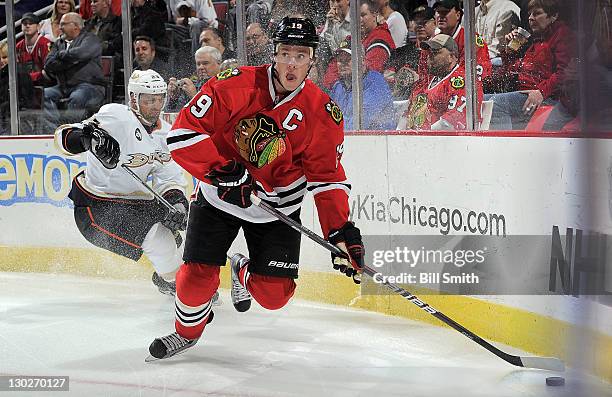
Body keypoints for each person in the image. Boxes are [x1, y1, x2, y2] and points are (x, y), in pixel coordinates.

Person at [147, 16, 365, 360]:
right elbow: (182, 134)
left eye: (301, 54)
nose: (292, 63)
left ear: (313, 58)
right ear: (273, 54)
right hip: (220, 196)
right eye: (285, 53)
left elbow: (327, 179)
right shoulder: (234, 84)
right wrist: (222, 172)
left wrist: (340, 231)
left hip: (276, 207)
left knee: (274, 295)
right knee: (194, 282)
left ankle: (240, 269)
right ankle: (186, 332)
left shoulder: (323, 112)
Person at [53, 70, 187, 296]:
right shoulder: (116, 116)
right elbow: (62, 137)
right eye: (149, 100)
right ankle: (181, 288)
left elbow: (170, 178)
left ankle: (168, 280)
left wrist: (178, 204)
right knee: (158, 238)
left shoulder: (165, 134)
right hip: (97, 207)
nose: (156, 106)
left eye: (159, 99)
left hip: (135, 204)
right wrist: (89, 139)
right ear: (134, 99)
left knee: (177, 236)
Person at [484, 0, 574, 130]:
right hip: (525, 91)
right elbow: (512, 69)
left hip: (548, 97)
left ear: (553, 16)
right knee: (482, 99)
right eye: (530, 14)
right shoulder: (536, 38)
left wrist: (542, 92)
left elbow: (564, 72)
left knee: (496, 103)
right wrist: (510, 51)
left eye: (537, 14)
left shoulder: (562, 34)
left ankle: (504, 146)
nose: (531, 18)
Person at [400, 34, 483, 130]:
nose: (429, 56)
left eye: (435, 52)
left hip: (445, 141)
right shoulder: (426, 81)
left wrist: (423, 137)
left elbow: (449, 123)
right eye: (429, 52)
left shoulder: (463, 81)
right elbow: (407, 115)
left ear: (451, 56)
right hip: (415, 140)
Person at [43, 12, 106, 131]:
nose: (60, 27)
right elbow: (48, 64)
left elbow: (82, 54)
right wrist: (71, 61)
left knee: (77, 97)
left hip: (90, 86)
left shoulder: (91, 39)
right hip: (63, 87)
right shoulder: (58, 42)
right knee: (44, 94)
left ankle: (71, 132)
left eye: (63, 24)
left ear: (76, 26)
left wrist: (60, 55)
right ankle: (55, 130)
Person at [330, 38, 395, 130]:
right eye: (340, 60)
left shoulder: (376, 83)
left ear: (362, 61)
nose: (343, 64)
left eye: (348, 59)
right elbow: (325, 117)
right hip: (348, 140)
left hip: (377, 141)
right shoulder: (338, 87)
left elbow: (358, 125)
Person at [166, 46, 222, 111]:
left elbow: (219, 114)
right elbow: (175, 114)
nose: (200, 67)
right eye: (198, 64)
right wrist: (173, 98)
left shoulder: (227, 85)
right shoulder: (193, 86)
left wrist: (195, 96)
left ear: (219, 63)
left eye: (205, 63)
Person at [475, 0, 521, 65]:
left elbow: (497, 50)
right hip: (478, 63)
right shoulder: (472, 12)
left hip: (496, 65)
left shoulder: (507, 8)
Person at [15, 12, 51, 85]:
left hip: (44, 83)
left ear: (38, 26)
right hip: (25, 84)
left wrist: (30, 77)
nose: (27, 26)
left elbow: (48, 71)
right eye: (25, 24)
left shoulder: (45, 44)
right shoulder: (18, 46)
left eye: (31, 23)